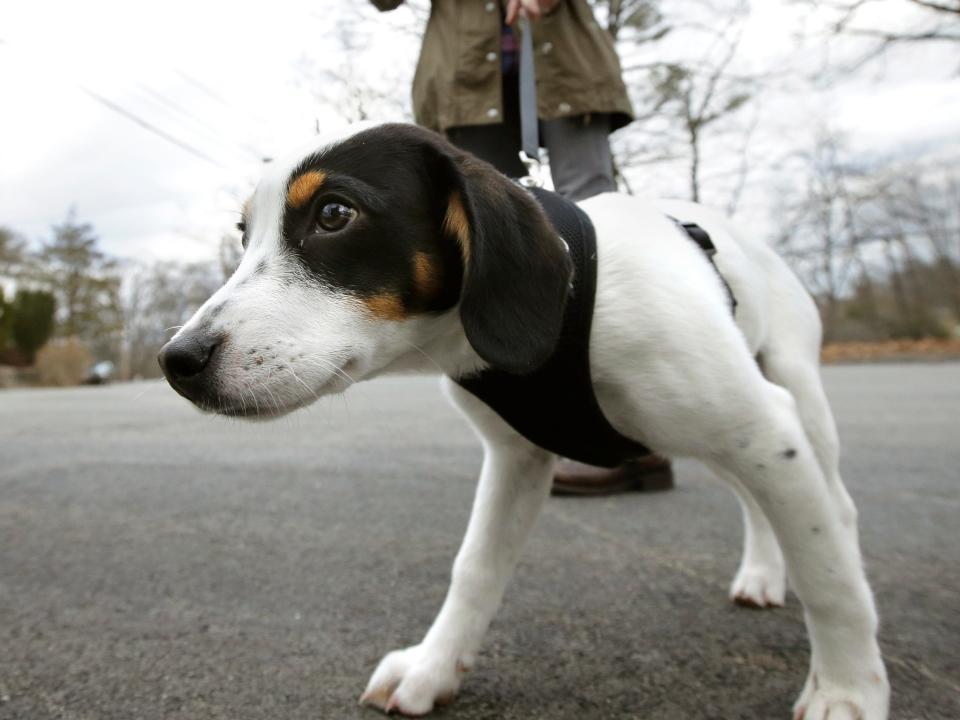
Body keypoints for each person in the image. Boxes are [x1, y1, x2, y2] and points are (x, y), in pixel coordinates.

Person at [371, 0, 674, 495]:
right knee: (491, 238)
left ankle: (633, 432)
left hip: (565, 63)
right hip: (464, 75)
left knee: (601, 226)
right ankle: (527, 435)